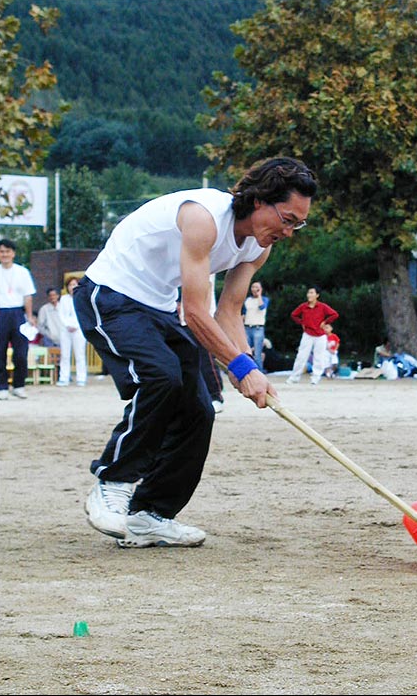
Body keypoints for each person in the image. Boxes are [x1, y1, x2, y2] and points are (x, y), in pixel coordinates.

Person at [73, 156, 317, 548]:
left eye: (297, 224)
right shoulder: (204, 217)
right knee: (161, 376)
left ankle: (151, 514)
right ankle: (112, 482)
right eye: (287, 219)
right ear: (259, 201)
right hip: (110, 295)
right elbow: (196, 313)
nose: (289, 232)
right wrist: (238, 364)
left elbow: (228, 312)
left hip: (158, 307)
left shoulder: (258, 248)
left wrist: (248, 370)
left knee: (198, 409)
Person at [178, 274, 225, 414]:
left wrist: (204, 317)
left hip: (202, 319)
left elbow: (208, 289)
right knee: (187, 361)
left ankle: (216, 396)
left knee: (207, 360)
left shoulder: (205, 264)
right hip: (185, 320)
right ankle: (192, 398)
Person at [0, 238, 37, 400]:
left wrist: (29, 316)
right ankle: (1, 386)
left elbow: (28, 296)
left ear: (13, 253)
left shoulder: (23, 272)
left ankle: (19, 385)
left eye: (8, 251)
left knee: (21, 352)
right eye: (1, 251)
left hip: (18, 314)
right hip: (0, 314)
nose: (5, 254)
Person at [286, 286, 339, 386]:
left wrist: (325, 322)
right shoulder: (303, 306)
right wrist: (302, 322)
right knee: (301, 356)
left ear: (317, 295)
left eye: (311, 293)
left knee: (319, 357)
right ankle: (294, 377)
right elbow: (294, 315)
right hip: (308, 334)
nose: (309, 295)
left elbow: (334, 314)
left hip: (320, 335)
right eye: (308, 293)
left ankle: (316, 378)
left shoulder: (322, 306)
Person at [56, 276, 87, 387]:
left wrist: (76, 326)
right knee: (65, 354)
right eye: (70, 285)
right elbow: (61, 314)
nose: (72, 287)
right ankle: (63, 378)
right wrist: (67, 325)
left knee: (80, 354)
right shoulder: (64, 299)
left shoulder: (82, 298)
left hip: (78, 329)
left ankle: (81, 378)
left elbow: (84, 315)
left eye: (74, 284)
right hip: (65, 329)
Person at [242, 280, 269, 371]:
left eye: (257, 287)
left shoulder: (264, 299)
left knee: (257, 353)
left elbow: (262, 307)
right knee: (246, 352)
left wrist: (259, 295)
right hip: (247, 327)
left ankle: (259, 372)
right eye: (253, 287)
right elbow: (244, 314)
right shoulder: (248, 300)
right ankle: (248, 371)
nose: (254, 289)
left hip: (258, 328)